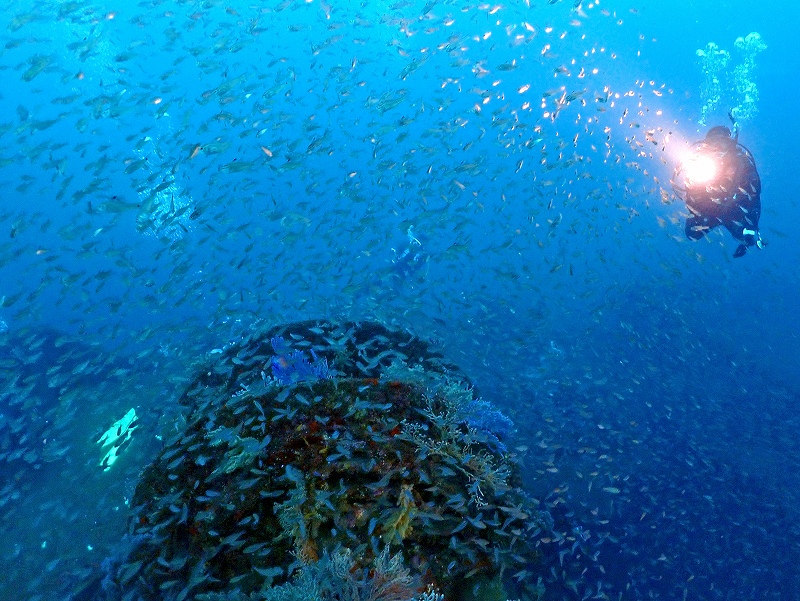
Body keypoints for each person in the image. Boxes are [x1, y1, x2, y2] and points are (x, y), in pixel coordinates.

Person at [673, 117, 763, 257]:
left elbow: (755, 197)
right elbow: (689, 195)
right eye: (714, 144)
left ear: (731, 144)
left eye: (723, 144)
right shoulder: (698, 161)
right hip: (708, 209)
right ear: (706, 146)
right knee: (691, 234)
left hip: (734, 210)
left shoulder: (743, 163)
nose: (718, 149)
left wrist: (752, 225)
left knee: (747, 238)